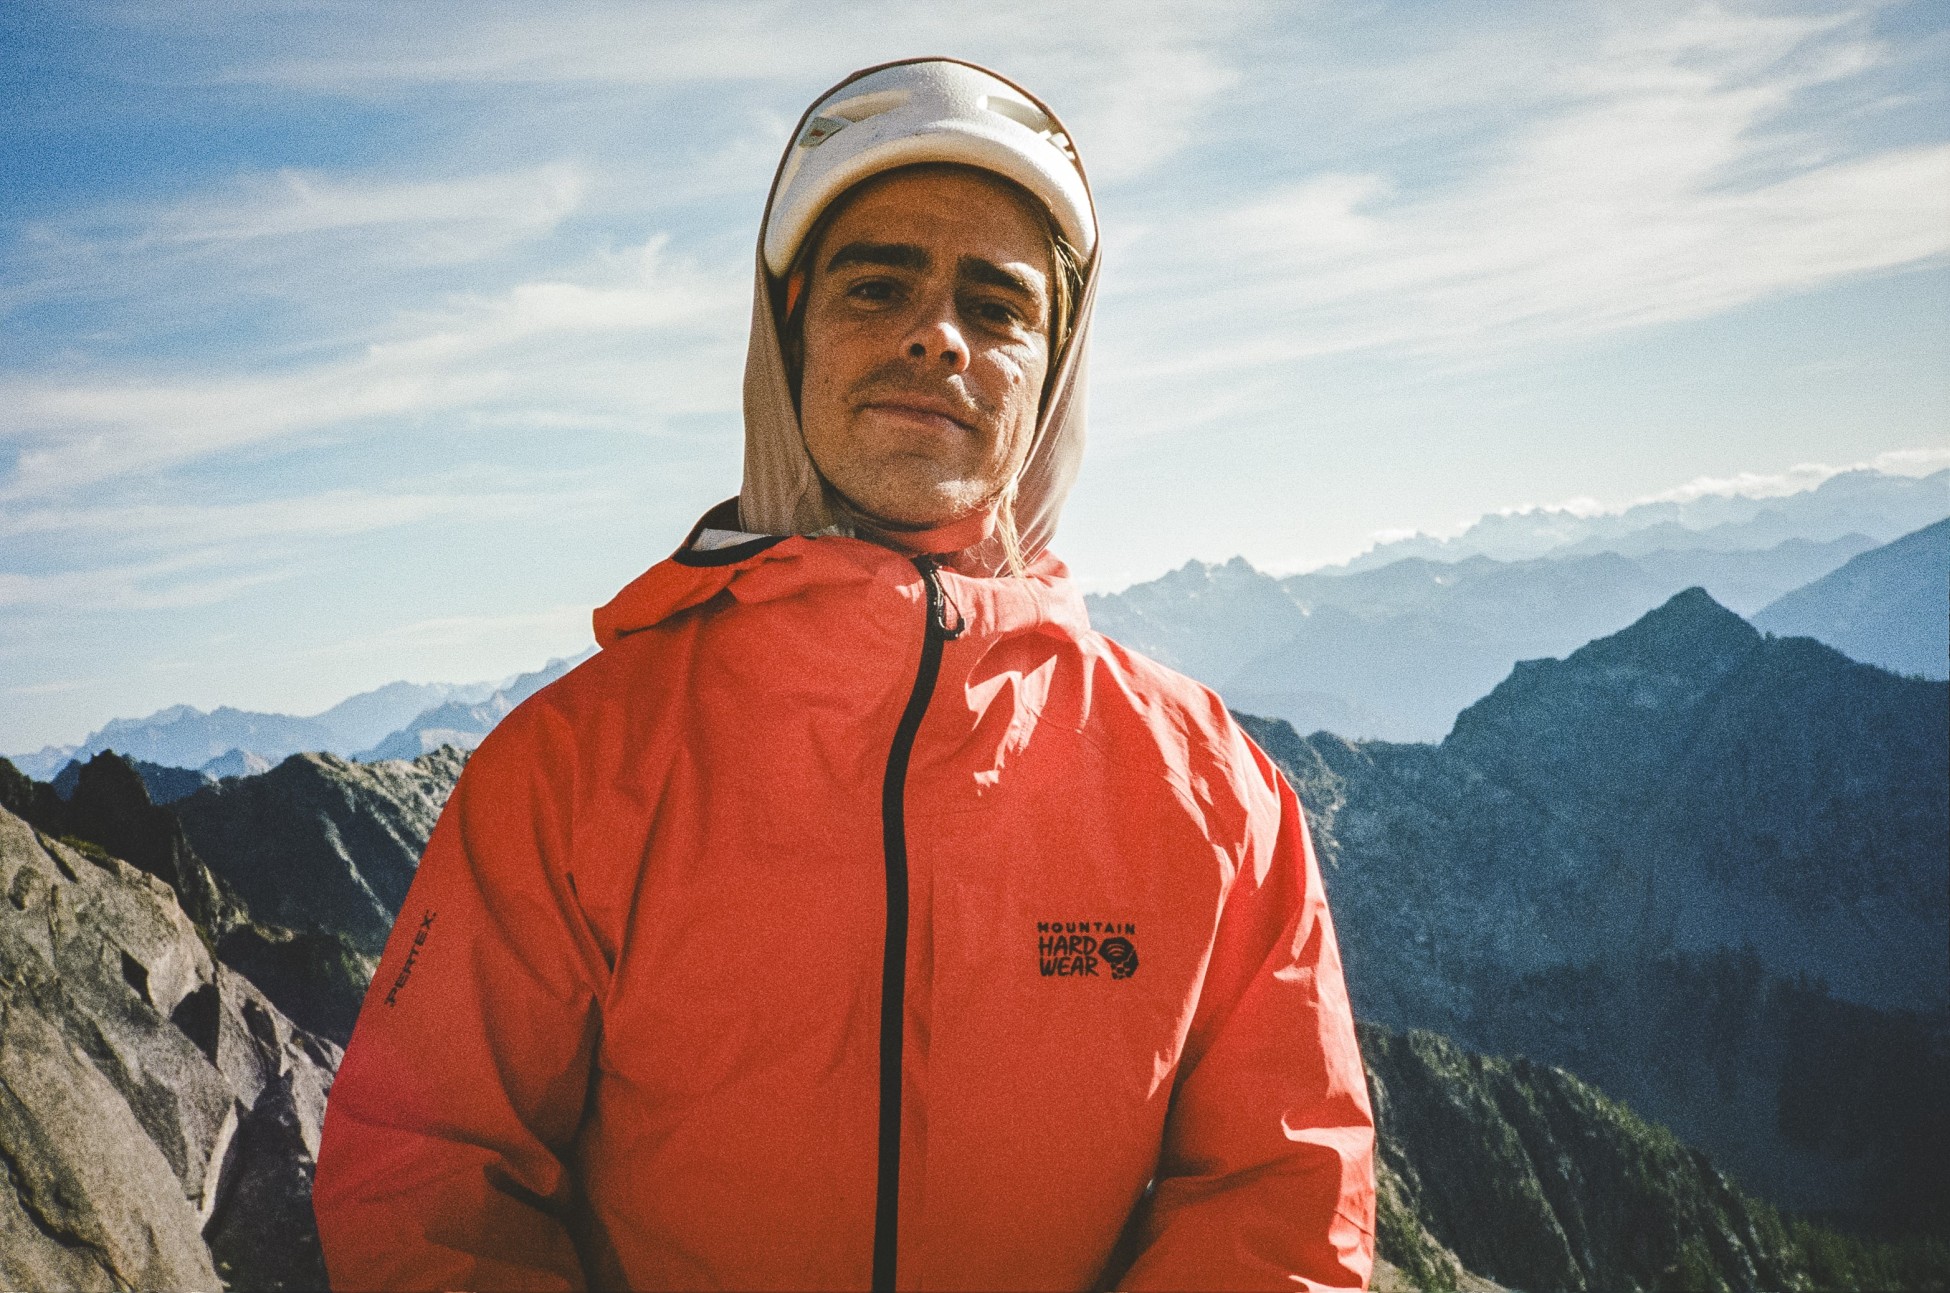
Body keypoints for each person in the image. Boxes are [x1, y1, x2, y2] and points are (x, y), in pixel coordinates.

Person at [313, 57, 1375, 1291]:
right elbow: (427, 1178)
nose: (939, 334)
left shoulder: (1212, 794)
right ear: (791, 333)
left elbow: (1283, 1203)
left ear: (1053, 374)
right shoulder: (568, 770)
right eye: (878, 287)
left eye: (999, 307)